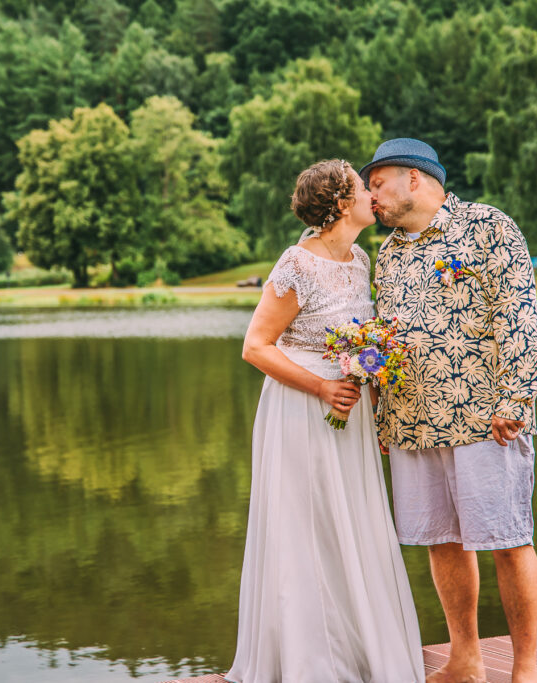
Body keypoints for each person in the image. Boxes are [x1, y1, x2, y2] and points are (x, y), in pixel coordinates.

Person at [226, 159, 425, 683]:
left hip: (351, 413)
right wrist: (320, 387)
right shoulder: (296, 263)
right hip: (301, 407)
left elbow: (364, 340)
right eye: (363, 189)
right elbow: (255, 347)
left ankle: (358, 651)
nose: (371, 196)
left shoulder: (360, 258)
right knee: (305, 526)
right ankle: (307, 662)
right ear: (341, 204)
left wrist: (376, 401)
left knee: (350, 523)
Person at [361, 138, 537, 683]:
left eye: (377, 183)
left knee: (508, 540)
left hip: (487, 419)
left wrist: (516, 398)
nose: (371, 196)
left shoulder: (487, 227)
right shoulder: (388, 252)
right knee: (441, 541)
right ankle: (465, 660)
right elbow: (386, 339)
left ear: (414, 179)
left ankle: (525, 668)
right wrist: (382, 417)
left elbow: (518, 317)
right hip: (413, 423)